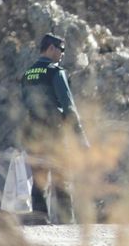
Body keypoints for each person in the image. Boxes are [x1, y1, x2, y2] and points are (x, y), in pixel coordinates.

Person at [20, 33, 89, 223]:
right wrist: (80, 136)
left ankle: (39, 222)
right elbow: (69, 106)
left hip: (33, 134)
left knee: (39, 181)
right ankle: (67, 223)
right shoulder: (55, 72)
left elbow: (22, 107)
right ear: (51, 48)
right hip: (55, 134)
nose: (63, 54)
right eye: (62, 50)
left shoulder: (27, 74)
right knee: (61, 179)